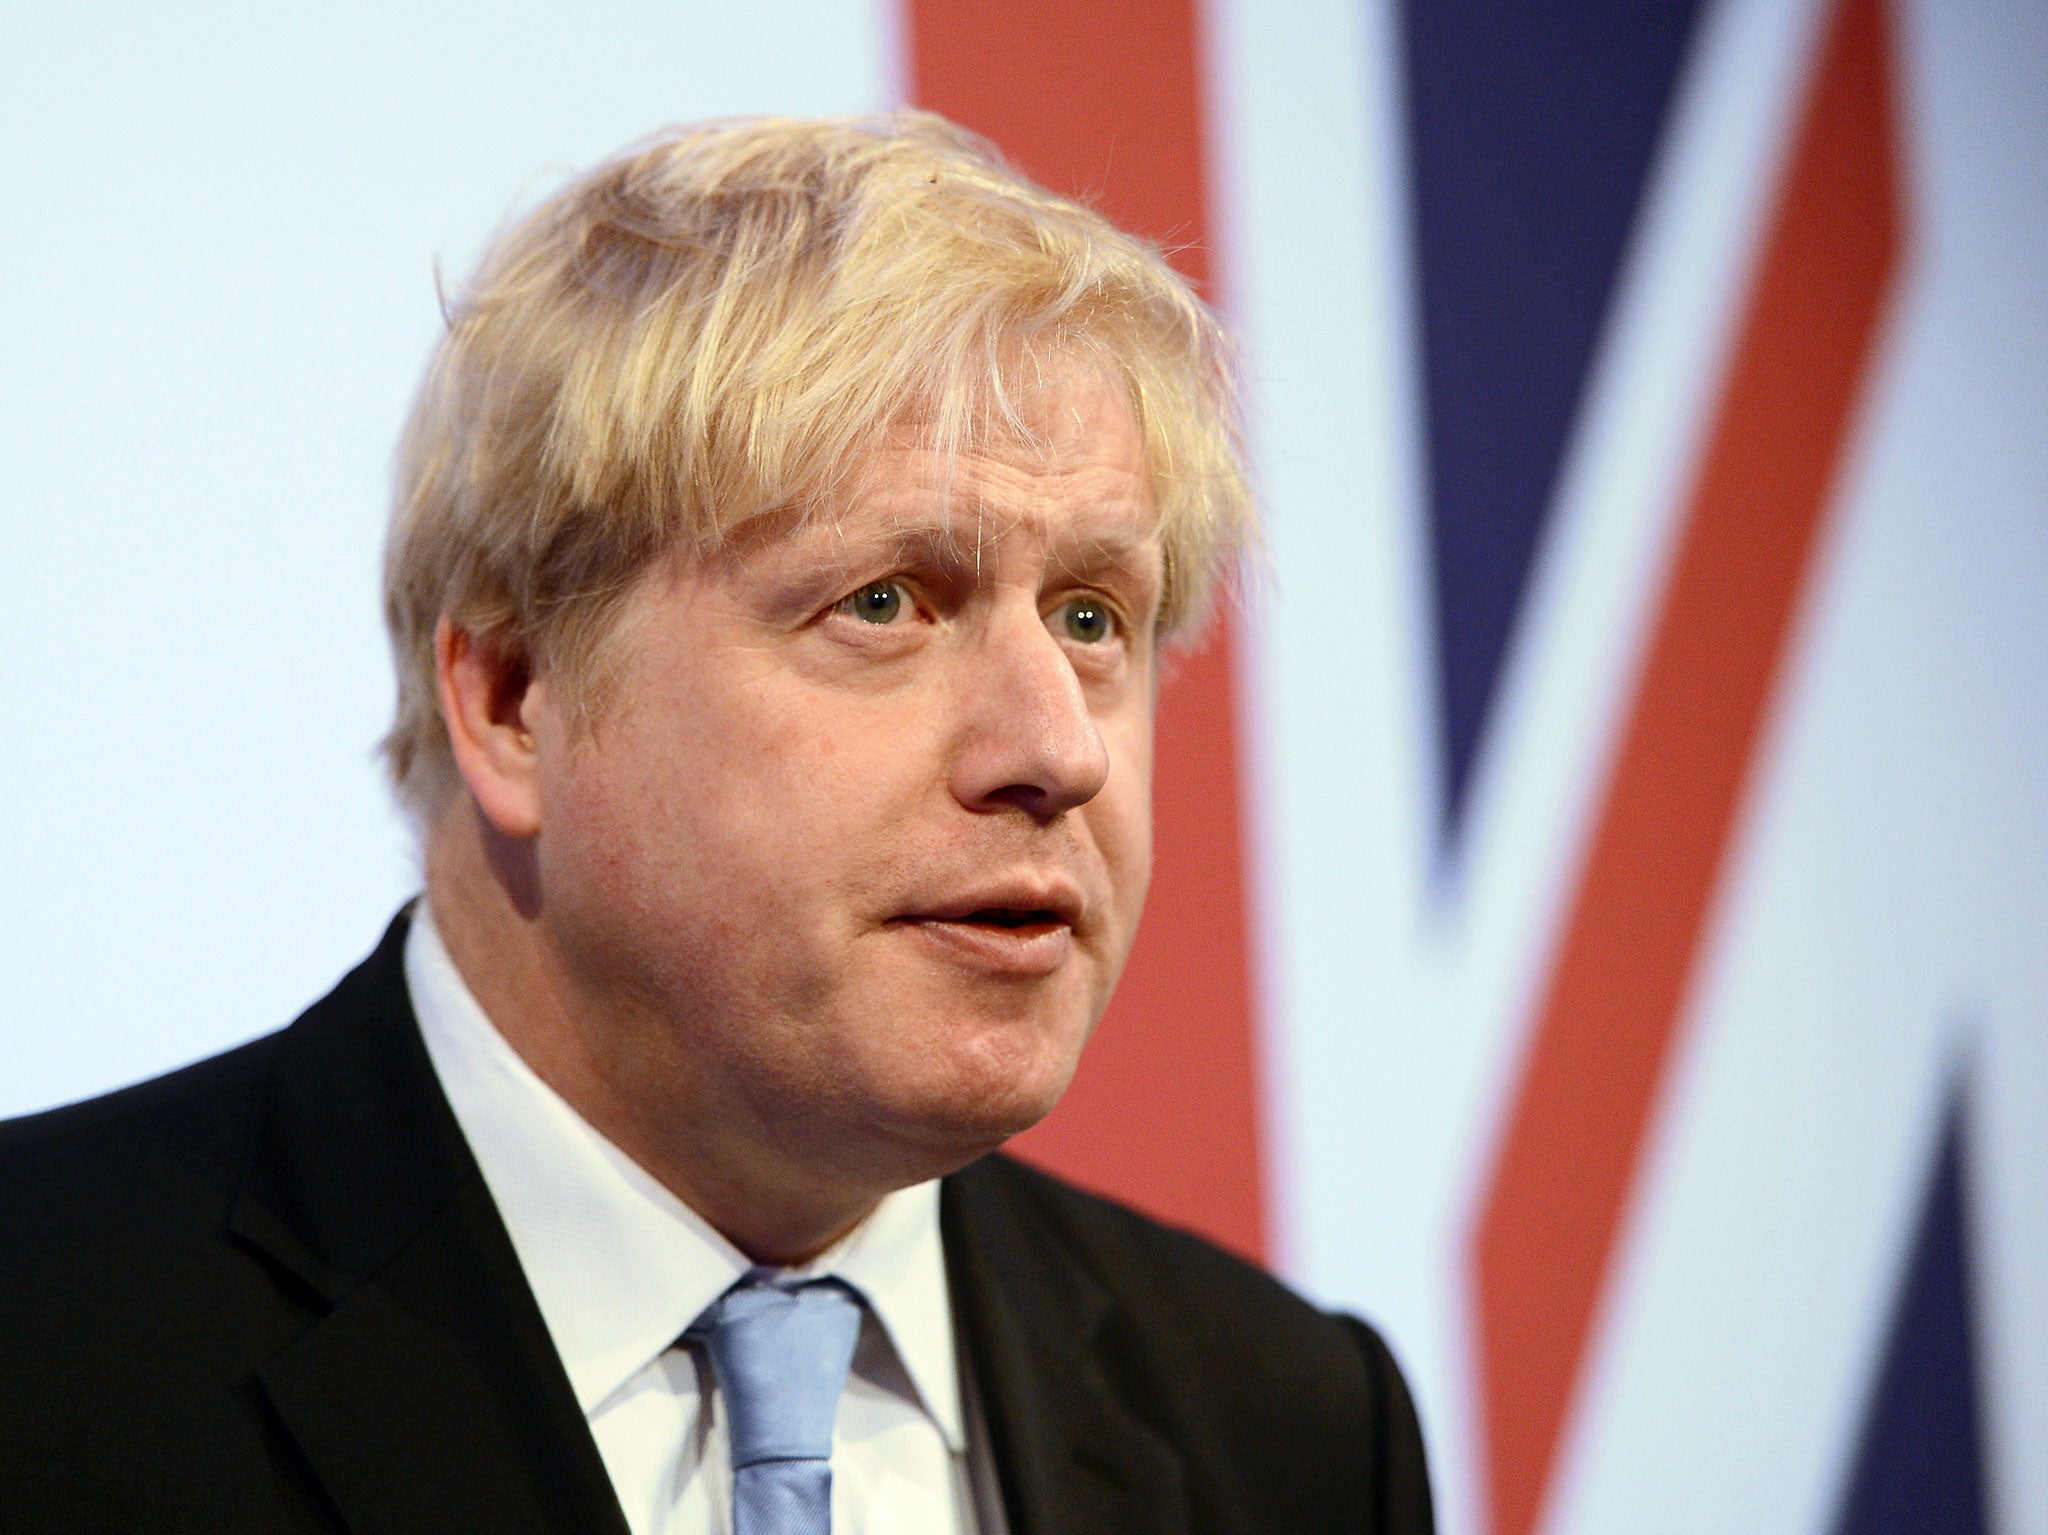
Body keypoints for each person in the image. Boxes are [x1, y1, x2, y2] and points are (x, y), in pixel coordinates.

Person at [0, 113, 1431, 1534]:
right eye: (884, 602)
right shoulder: (47, 1345)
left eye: (1091, 617)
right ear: (513, 698)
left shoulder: (1287, 1432)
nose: (1055, 747)